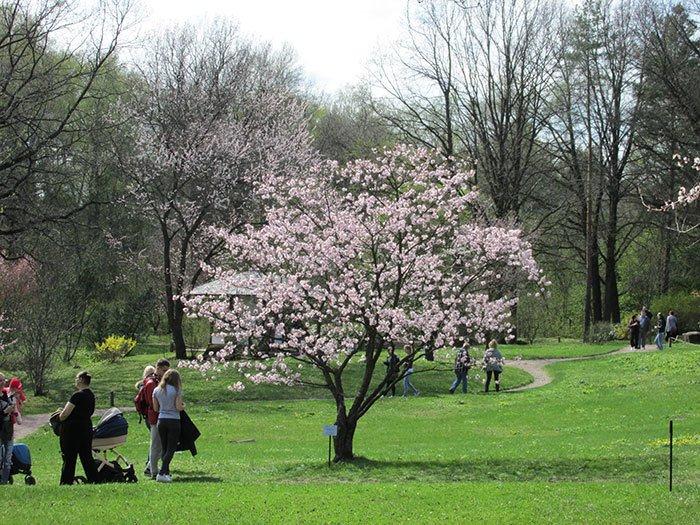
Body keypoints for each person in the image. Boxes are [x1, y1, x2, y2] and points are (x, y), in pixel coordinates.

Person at [58, 371, 99, 485]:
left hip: (72, 430)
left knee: (69, 457)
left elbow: (65, 414)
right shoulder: (91, 395)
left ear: (81, 380)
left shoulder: (77, 395)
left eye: (76, 378)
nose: (75, 380)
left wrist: (59, 416)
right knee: (86, 456)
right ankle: (94, 479)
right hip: (86, 428)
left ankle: (66, 481)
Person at [152, 369, 184, 483]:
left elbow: (155, 408)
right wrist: (183, 406)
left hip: (161, 419)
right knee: (171, 447)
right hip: (173, 420)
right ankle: (162, 472)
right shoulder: (176, 390)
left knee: (164, 447)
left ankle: (166, 472)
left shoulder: (156, 390)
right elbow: (178, 407)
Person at [144, 359, 170, 479]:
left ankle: (150, 466)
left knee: (160, 445)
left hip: (161, 416)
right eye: (164, 370)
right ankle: (153, 471)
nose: (166, 373)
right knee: (155, 444)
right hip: (155, 417)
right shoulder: (151, 383)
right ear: (157, 368)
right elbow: (152, 403)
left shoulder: (160, 381)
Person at [0, 377, 22, 484]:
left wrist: (15, 412)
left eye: (3, 380)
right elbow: (4, 413)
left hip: (8, 430)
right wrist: (4, 412)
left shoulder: (7, 396)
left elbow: (16, 413)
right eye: (0, 380)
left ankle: (4, 482)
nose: (3, 382)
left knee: (8, 458)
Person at [136, 365, 156, 474]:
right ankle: (150, 463)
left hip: (146, 416)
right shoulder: (149, 385)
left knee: (155, 440)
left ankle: (151, 462)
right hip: (151, 415)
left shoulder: (142, 385)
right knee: (155, 440)